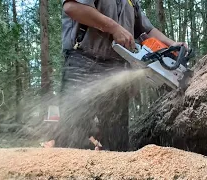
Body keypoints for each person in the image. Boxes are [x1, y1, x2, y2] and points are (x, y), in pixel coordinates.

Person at [54, 0, 188, 151]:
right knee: (73, 134)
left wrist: (172, 44)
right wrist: (113, 28)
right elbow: (72, 7)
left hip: (117, 66)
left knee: (116, 139)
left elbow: (146, 30)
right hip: (84, 61)